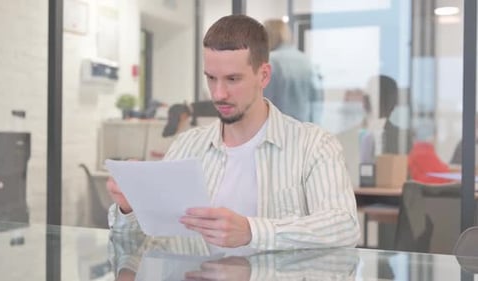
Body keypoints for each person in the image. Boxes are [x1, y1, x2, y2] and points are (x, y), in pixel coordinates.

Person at [107, 14, 359, 264]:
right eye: (211, 78)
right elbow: (141, 243)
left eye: (233, 79)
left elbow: (344, 227)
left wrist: (251, 231)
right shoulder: (186, 145)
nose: (218, 93)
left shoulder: (314, 145)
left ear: (264, 75)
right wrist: (130, 208)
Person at [263, 19, 323, 123]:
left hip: (277, 129)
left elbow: (264, 101)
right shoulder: (306, 61)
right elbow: (317, 100)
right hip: (304, 128)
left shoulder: (270, 61)